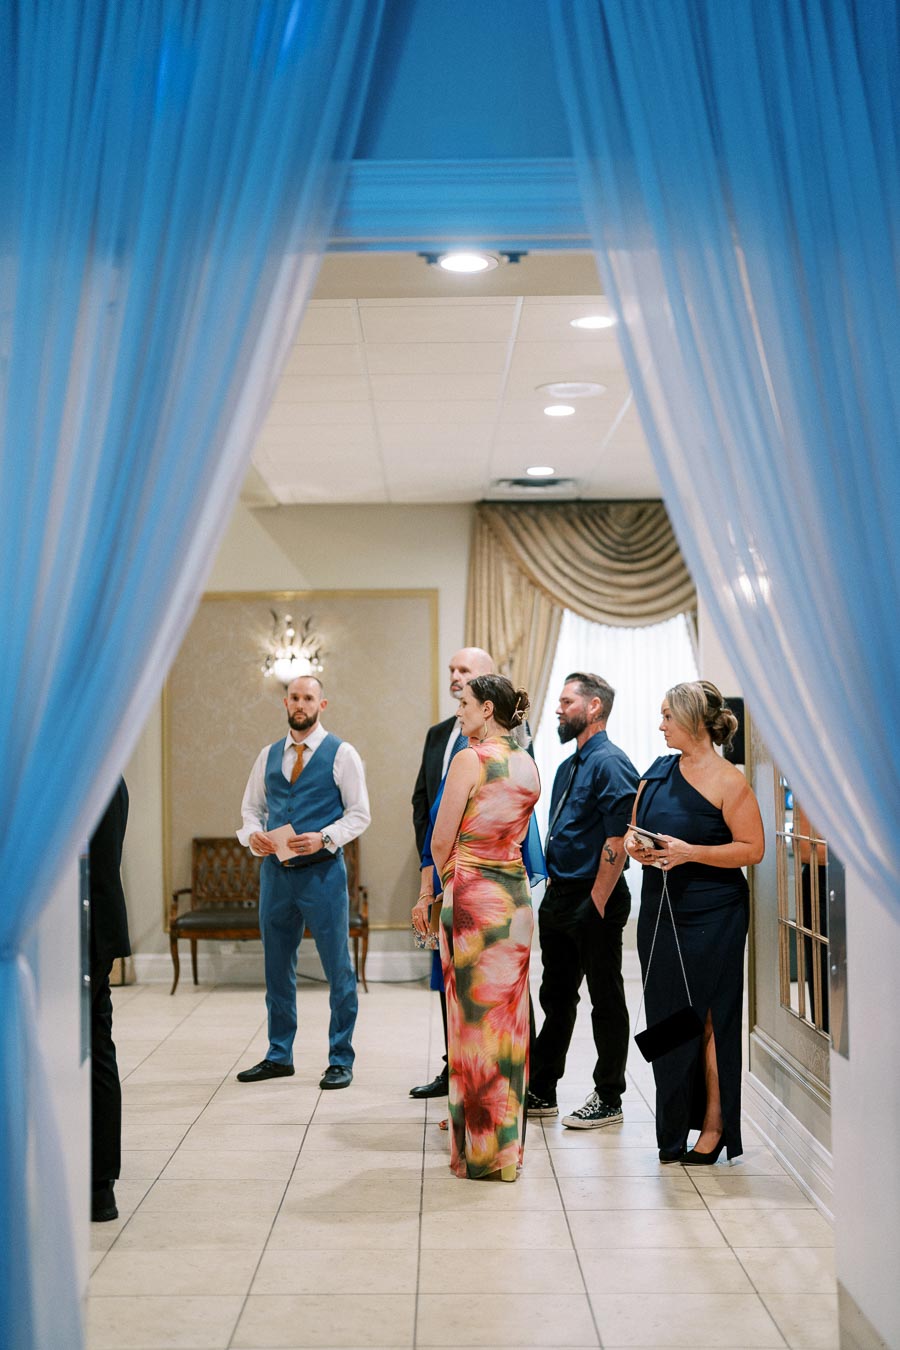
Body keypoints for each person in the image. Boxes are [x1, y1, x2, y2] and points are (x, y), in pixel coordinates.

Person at [626, 680, 764, 1164]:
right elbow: (632, 830)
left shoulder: (730, 781)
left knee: (708, 1017)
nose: (660, 725)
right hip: (662, 913)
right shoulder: (656, 773)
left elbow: (753, 849)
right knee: (668, 1016)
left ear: (694, 721)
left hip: (715, 913)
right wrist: (637, 849)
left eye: (668, 716)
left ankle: (715, 1124)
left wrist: (690, 854)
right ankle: (671, 1128)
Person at [428, 675, 540, 1180]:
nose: (459, 710)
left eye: (465, 703)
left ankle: (477, 1153)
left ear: (487, 708)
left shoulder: (470, 760)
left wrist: (444, 884)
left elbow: (439, 841)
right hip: (514, 900)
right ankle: (506, 1152)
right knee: (509, 1026)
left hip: (473, 896)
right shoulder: (528, 764)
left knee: (471, 1027)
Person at [235, 675, 370, 1089]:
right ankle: (279, 1055)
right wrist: (252, 837)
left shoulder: (342, 754)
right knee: (277, 968)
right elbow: (251, 811)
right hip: (275, 875)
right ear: (285, 702)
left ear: (322, 704)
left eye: (308, 698)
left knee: (338, 968)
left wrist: (324, 837)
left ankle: (340, 1058)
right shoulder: (268, 755)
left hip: (323, 875)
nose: (300, 704)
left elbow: (359, 814)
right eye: (294, 697)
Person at [528, 673, 639, 1129]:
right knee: (555, 997)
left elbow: (620, 834)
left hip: (595, 897)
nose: (558, 708)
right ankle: (542, 1089)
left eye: (566, 701)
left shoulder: (610, 762)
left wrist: (596, 900)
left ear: (594, 707)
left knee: (605, 999)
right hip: (560, 896)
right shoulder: (566, 766)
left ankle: (609, 1096)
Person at [409, 646, 494, 1100]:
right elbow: (422, 802)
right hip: (440, 875)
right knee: (449, 978)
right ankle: (454, 1067)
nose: (456, 677)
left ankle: (511, 1074)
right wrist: (430, 868)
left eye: (465, 670)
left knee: (494, 977)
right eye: (452, 670)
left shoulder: (512, 740)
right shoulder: (439, 734)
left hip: (485, 877)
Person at [88, 778, 131, 1222]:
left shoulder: (83, 773)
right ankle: (99, 1186)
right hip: (96, 925)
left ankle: (98, 1182)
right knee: (98, 1043)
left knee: (94, 1046)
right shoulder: (109, 773)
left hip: (79, 928)